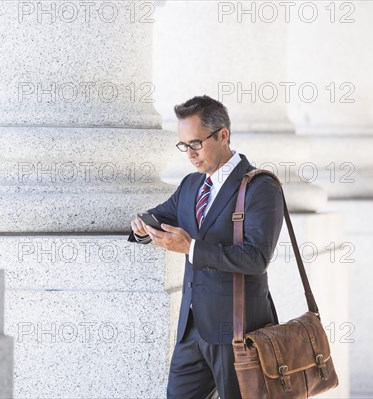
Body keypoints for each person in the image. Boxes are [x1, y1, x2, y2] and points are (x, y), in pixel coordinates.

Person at [128, 95, 284, 399]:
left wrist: (191, 249)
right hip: (191, 330)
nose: (190, 154)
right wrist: (142, 227)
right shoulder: (191, 186)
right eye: (184, 145)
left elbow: (256, 258)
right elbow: (159, 218)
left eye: (196, 143)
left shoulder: (260, 187)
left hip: (238, 332)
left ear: (222, 135)